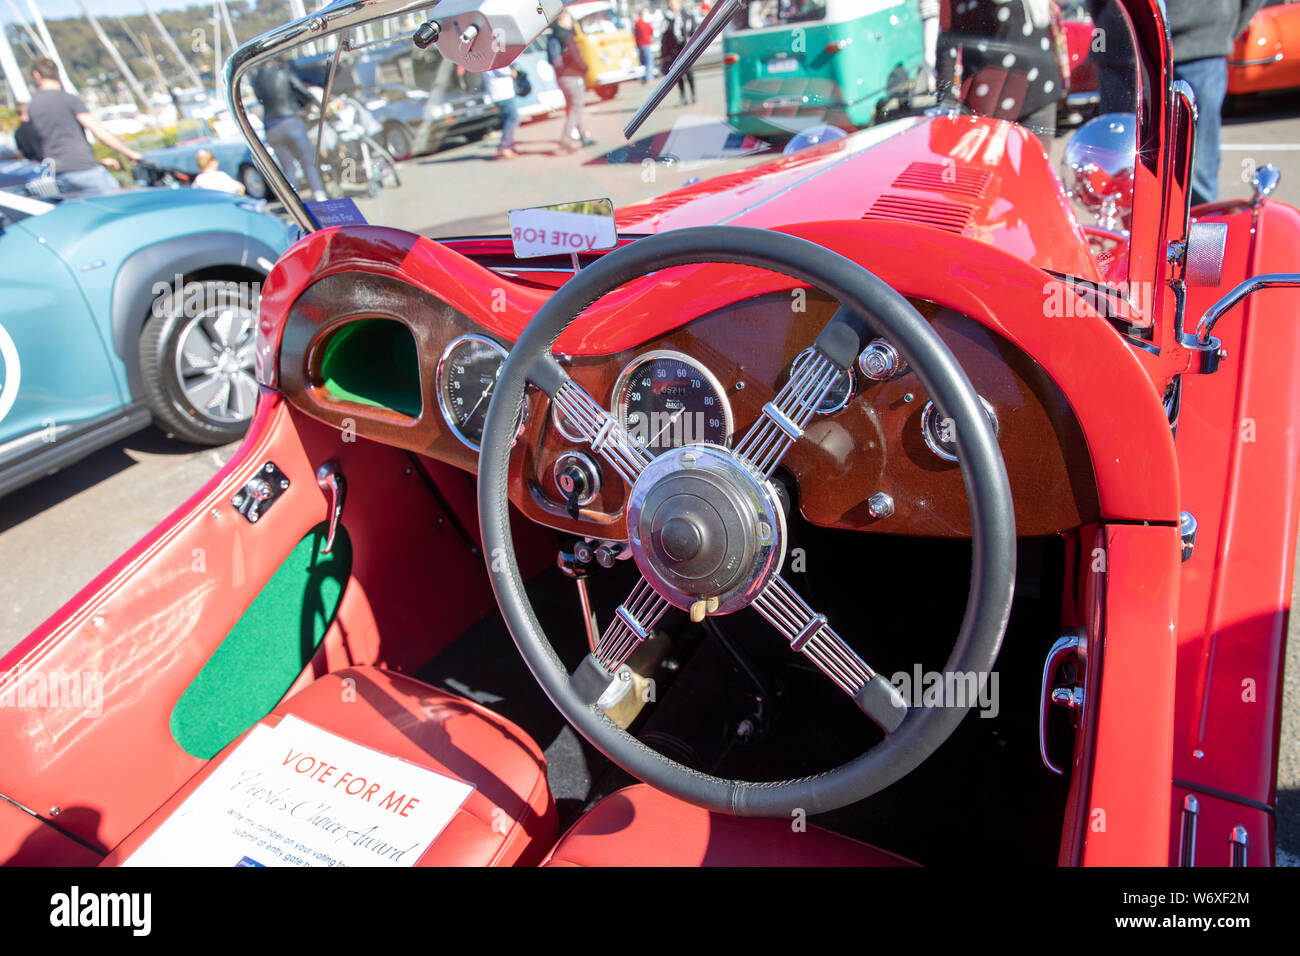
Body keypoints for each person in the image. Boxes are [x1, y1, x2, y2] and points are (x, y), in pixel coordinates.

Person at [1168, 0, 1267, 205]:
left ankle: (1199, 232)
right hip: (1129, 49)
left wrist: (1221, 31)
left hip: (1201, 48)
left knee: (1198, 171)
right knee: (1125, 168)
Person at [26, 57, 141, 196]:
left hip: (59, 174)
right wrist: (129, 153)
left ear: (36, 75)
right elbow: (97, 131)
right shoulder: (68, 99)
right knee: (122, 206)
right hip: (85, 169)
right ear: (58, 74)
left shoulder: (33, 106)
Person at [250, 57, 328, 203]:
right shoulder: (284, 72)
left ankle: (294, 200)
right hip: (292, 121)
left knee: (288, 168)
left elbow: (259, 98)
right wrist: (319, 107)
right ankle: (319, 193)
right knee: (308, 162)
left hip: (271, 126)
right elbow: (302, 91)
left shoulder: (257, 78)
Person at [549, 11, 595, 151]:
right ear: (562, 20)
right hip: (573, 76)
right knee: (576, 108)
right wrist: (585, 68)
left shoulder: (552, 37)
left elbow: (552, 59)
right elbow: (576, 56)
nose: (571, 22)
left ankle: (583, 136)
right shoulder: (567, 36)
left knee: (573, 107)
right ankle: (565, 139)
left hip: (561, 77)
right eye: (569, 18)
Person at [660, 0, 698, 105]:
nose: (671, 5)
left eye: (673, 3)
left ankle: (693, 95)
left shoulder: (686, 16)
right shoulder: (667, 18)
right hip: (674, 51)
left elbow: (694, 31)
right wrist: (664, 52)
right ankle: (683, 97)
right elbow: (665, 36)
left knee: (689, 73)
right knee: (677, 76)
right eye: (670, 3)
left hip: (685, 49)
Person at [486, 65, 521, 159]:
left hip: (499, 93)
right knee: (513, 118)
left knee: (508, 119)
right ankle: (504, 147)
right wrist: (512, 72)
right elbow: (502, 69)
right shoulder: (494, 54)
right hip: (503, 94)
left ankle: (508, 146)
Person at [634, 9, 656, 84]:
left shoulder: (637, 24)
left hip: (639, 45)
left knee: (642, 62)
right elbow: (651, 31)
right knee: (649, 61)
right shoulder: (645, 23)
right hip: (646, 43)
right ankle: (649, 77)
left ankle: (643, 77)